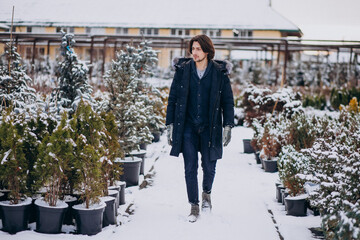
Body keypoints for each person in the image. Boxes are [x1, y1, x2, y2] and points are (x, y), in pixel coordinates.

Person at [165, 34, 234, 222]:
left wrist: (228, 125)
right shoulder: (183, 71)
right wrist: (170, 124)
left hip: (210, 127)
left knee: (209, 166)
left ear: (207, 51)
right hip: (187, 126)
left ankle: (206, 194)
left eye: (197, 49)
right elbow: (172, 99)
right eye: (192, 48)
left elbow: (228, 102)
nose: (194, 52)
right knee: (189, 167)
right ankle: (194, 205)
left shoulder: (219, 73)